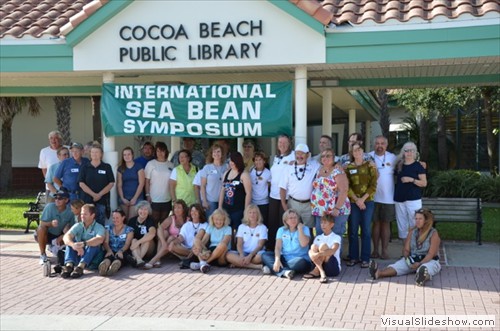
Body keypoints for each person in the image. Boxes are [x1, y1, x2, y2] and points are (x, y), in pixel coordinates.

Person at [369, 208, 441, 287]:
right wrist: (409, 261)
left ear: (426, 220)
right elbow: (406, 250)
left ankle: (421, 278)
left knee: (425, 269)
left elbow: (431, 254)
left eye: (420, 219)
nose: (417, 221)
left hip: (429, 261)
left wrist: (420, 264)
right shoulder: (412, 232)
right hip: (413, 259)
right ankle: (378, 273)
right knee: (398, 266)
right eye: (416, 218)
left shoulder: (433, 233)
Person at [345, 141, 378, 268]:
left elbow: (373, 185)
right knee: (352, 230)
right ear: (352, 153)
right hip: (353, 203)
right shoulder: (348, 167)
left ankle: (365, 258)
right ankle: (353, 257)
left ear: (363, 151)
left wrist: (362, 200)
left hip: (367, 202)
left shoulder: (370, 166)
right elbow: (347, 186)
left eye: (359, 149)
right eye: (354, 150)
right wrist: (356, 200)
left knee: (366, 230)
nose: (357, 152)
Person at [279, 144, 320, 234]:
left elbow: (327, 165)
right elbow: (282, 188)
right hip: (293, 203)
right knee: (292, 228)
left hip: (308, 204)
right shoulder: (288, 168)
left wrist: (337, 165)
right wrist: (284, 204)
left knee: (308, 230)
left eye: (302, 154)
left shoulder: (314, 166)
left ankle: (309, 248)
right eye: (297, 154)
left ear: (307, 155)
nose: (299, 156)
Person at [261, 209, 312, 280]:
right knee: (265, 255)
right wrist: (277, 260)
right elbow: (278, 247)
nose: (293, 220)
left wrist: (300, 229)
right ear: (285, 220)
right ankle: (285, 272)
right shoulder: (281, 230)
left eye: (295, 217)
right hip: (285, 258)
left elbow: (304, 244)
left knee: (301, 262)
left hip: (299, 259)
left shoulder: (305, 229)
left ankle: (273, 268)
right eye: (290, 218)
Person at [311, 147, 350, 237]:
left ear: (333, 158)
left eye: (328, 156)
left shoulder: (338, 171)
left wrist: (337, 208)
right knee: (320, 235)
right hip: (320, 210)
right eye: (323, 156)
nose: (325, 158)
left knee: (335, 235)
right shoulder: (318, 170)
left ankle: (335, 252)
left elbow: (344, 190)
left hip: (336, 210)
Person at [369, 136, 397, 259]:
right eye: (377, 143)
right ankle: (375, 250)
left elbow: (407, 163)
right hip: (372, 197)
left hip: (388, 197)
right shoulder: (368, 156)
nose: (379, 146)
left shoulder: (393, 157)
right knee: (375, 224)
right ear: (373, 144)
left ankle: (384, 251)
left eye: (382, 143)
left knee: (385, 224)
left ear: (386, 145)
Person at [394, 141, 427, 240]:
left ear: (415, 152)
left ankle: (415, 251)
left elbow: (424, 183)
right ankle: (406, 252)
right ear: (403, 152)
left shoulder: (418, 166)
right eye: (406, 150)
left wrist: (411, 180)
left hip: (413, 199)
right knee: (402, 226)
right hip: (399, 199)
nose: (409, 153)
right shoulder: (398, 165)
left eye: (411, 151)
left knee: (415, 224)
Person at [61, 204, 105, 278]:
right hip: (79, 252)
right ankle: (69, 266)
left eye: (85, 214)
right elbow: (66, 237)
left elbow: (100, 239)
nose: (82, 216)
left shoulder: (99, 227)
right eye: (81, 214)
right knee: (70, 242)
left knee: (93, 244)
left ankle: (80, 267)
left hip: (92, 254)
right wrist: (74, 245)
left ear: (92, 215)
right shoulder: (78, 225)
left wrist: (84, 244)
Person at [267, 134, 295, 249]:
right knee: (272, 224)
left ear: (289, 144)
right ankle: (272, 248)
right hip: (273, 195)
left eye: (284, 142)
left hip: (286, 196)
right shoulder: (276, 158)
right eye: (280, 143)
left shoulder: (293, 156)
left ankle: (284, 248)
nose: (282, 145)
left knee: (283, 224)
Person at [146, 199, 189, 269]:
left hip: (182, 243)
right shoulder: (171, 218)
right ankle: (157, 260)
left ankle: (154, 260)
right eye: (175, 208)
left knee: (170, 238)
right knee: (164, 233)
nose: (176, 210)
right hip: (169, 245)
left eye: (179, 207)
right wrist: (163, 241)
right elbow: (160, 228)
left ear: (183, 209)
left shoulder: (188, 220)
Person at [78, 143, 115, 225]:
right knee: (86, 223)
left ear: (101, 154)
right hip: (87, 200)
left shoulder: (106, 167)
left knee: (100, 223)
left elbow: (111, 183)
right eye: (93, 152)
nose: (94, 154)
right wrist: (94, 195)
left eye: (97, 152)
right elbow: (81, 183)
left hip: (102, 200)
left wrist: (99, 195)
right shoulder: (84, 167)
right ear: (90, 154)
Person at [35, 190, 74, 265]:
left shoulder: (70, 211)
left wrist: (63, 236)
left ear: (66, 200)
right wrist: (50, 224)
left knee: (69, 237)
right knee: (41, 228)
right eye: (56, 197)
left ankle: (55, 248)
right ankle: (43, 255)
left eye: (60, 198)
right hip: (47, 233)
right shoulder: (49, 207)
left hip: (59, 235)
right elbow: (42, 223)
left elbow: (73, 227)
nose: (57, 200)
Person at [225, 204, 268, 270]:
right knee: (228, 255)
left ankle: (238, 264)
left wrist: (250, 256)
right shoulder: (241, 226)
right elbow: (239, 244)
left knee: (261, 257)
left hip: (256, 253)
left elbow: (260, 246)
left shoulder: (262, 227)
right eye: (250, 212)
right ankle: (257, 266)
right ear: (246, 214)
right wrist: (241, 255)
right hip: (244, 252)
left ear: (258, 214)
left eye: (254, 213)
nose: (252, 215)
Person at [219, 151, 252, 235]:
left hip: (238, 209)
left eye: (233, 161)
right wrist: (220, 207)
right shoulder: (226, 173)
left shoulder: (244, 174)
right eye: (230, 161)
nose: (231, 163)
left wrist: (246, 210)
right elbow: (222, 190)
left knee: (237, 231)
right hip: (226, 208)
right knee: (226, 231)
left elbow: (248, 193)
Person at [190, 208, 232, 273]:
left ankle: (203, 263)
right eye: (216, 219)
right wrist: (202, 250)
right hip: (210, 251)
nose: (218, 222)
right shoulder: (210, 227)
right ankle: (202, 262)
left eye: (221, 219)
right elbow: (204, 241)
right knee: (196, 240)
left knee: (222, 245)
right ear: (212, 219)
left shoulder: (228, 228)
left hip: (221, 254)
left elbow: (225, 242)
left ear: (224, 220)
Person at [305, 214, 342, 283]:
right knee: (313, 247)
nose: (322, 225)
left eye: (325, 223)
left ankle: (317, 271)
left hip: (332, 267)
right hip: (321, 265)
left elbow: (332, 251)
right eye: (321, 223)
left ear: (332, 225)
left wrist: (318, 254)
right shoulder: (318, 237)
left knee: (323, 246)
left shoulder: (336, 237)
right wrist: (312, 254)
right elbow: (311, 251)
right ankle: (322, 272)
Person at [145, 141, 174, 226]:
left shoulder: (171, 165)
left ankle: (161, 239)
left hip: (167, 198)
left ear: (166, 152)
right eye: (158, 151)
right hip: (154, 198)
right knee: (154, 221)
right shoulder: (151, 164)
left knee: (163, 223)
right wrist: (147, 195)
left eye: (162, 151)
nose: (160, 153)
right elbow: (147, 181)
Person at [98, 209, 134, 276]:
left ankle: (114, 266)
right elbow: (106, 242)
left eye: (117, 218)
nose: (115, 220)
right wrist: (108, 250)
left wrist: (121, 251)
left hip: (123, 250)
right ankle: (104, 265)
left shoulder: (129, 230)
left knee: (120, 257)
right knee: (108, 257)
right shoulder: (108, 228)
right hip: (111, 249)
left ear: (123, 218)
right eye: (113, 218)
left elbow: (127, 244)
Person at [171, 204, 208, 268]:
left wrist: (194, 247)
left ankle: (188, 259)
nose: (193, 213)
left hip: (199, 247)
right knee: (172, 245)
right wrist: (175, 242)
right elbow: (181, 237)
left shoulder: (205, 224)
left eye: (196, 211)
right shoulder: (186, 225)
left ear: (200, 212)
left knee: (196, 241)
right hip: (186, 249)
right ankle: (193, 257)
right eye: (192, 211)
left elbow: (200, 237)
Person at [117, 147, 145, 220]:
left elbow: (141, 183)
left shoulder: (138, 166)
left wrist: (135, 198)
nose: (127, 156)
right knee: (124, 219)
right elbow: (119, 185)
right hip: (124, 197)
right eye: (124, 155)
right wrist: (122, 198)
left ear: (132, 155)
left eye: (129, 154)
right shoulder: (120, 168)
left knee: (131, 219)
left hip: (137, 197)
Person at [200, 143, 227, 218]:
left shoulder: (226, 167)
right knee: (210, 223)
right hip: (210, 201)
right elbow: (203, 186)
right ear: (211, 154)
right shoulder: (207, 168)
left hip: (224, 201)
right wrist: (204, 201)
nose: (216, 154)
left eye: (218, 151)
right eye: (214, 152)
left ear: (222, 154)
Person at [127, 201, 157, 268]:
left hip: (149, 248)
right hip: (135, 248)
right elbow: (129, 236)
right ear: (137, 210)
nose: (143, 211)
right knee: (133, 240)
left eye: (145, 209)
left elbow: (152, 234)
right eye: (141, 209)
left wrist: (138, 242)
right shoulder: (132, 221)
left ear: (148, 211)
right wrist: (136, 243)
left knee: (147, 239)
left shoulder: (150, 220)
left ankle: (137, 259)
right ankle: (139, 261)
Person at [39, 130, 63, 203]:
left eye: (56, 138)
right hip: (51, 187)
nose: (53, 140)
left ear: (60, 139)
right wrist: (48, 182)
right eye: (51, 138)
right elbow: (44, 168)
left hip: (66, 185)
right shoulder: (44, 151)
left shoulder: (67, 150)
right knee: (50, 206)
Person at [249, 151, 271, 227]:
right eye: (256, 160)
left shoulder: (268, 173)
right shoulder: (251, 171)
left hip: (263, 202)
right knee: (253, 222)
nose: (258, 162)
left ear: (264, 161)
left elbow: (269, 186)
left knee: (263, 223)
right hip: (253, 202)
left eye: (260, 159)